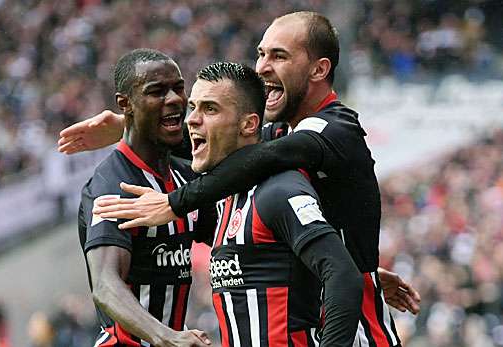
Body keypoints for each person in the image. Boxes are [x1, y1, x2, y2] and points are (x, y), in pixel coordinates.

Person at [62, 11, 421, 346]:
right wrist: (134, 126)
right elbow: (229, 145)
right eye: (261, 53)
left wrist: (351, 269)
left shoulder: (326, 133)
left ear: (318, 69)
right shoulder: (265, 151)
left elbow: (255, 153)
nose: (262, 66)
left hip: (352, 332)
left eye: (278, 56)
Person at [195, 61, 363, 346]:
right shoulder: (226, 198)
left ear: (249, 124)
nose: (193, 119)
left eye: (209, 109)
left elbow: (343, 274)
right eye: (193, 107)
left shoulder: (279, 190)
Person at [78, 48, 214, 347]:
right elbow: (105, 284)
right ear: (125, 104)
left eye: (178, 88)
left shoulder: (185, 177)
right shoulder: (111, 184)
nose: (175, 99)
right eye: (157, 91)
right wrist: (167, 337)